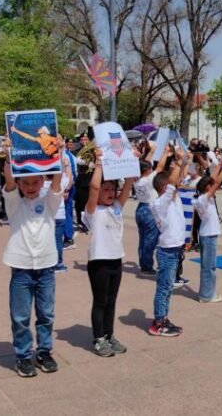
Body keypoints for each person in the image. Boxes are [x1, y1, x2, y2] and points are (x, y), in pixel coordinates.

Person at [1, 136, 65, 378]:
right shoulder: (14, 203)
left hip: (47, 267)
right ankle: (23, 356)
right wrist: (9, 154)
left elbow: (57, 181)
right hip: (21, 268)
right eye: (25, 183)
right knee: (20, 316)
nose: (30, 187)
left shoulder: (49, 202)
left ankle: (44, 351)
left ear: (42, 181)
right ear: (19, 184)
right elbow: (8, 179)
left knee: (46, 314)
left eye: (34, 182)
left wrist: (57, 152)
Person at [83, 148, 135, 357]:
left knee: (112, 301)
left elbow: (129, 184)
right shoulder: (93, 211)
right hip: (99, 263)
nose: (110, 192)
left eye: (112, 188)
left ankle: (109, 334)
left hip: (116, 261)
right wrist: (99, 164)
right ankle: (99, 338)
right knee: (100, 301)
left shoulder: (116, 207)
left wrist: (132, 163)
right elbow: (94, 187)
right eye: (106, 189)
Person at [148, 146, 189, 337]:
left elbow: (177, 180)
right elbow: (173, 183)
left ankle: (163, 317)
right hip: (167, 251)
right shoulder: (159, 203)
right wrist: (178, 162)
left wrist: (183, 161)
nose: (177, 186)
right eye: (171, 186)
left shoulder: (174, 199)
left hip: (176, 247)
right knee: (164, 287)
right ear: (164, 189)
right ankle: (158, 322)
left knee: (168, 287)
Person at [194, 150, 222, 303]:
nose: (214, 188)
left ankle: (206, 292)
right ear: (207, 188)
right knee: (209, 267)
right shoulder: (204, 199)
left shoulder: (201, 198)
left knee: (208, 265)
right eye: (210, 187)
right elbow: (216, 182)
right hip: (208, 236)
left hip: (207, 234)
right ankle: (207, 295)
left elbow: (213, 179)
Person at [135, 150, 169, 275]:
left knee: (143, 238)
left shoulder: (135, 179)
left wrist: (150, 150)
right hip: (150, 209)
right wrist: (165, 153)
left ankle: (143, 262)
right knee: (150, 239)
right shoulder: (149, 179)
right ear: (146, 170)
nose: (151, 169)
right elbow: (160, 167)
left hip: (140, 208)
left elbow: (146, 163)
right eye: (149, 168)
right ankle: (147, 267)